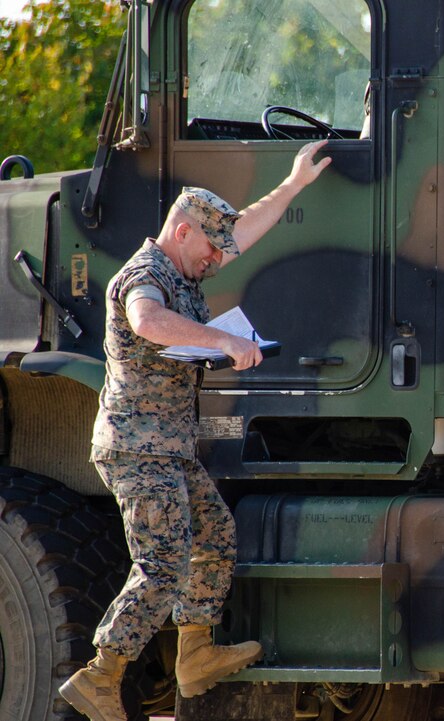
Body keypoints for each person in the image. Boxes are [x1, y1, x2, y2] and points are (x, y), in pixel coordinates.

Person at [60, 141, 332, 721]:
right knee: (162, 565)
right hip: (137, 448)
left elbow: (244, 231)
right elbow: (147, 321)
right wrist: (225, 341)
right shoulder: (145, 276)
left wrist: (292, 184)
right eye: (211, 248)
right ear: (182, 231)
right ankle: (100, 675)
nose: (216, 261)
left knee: (214, 539)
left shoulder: (184, 267)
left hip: (170, 448)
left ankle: (195, 653)